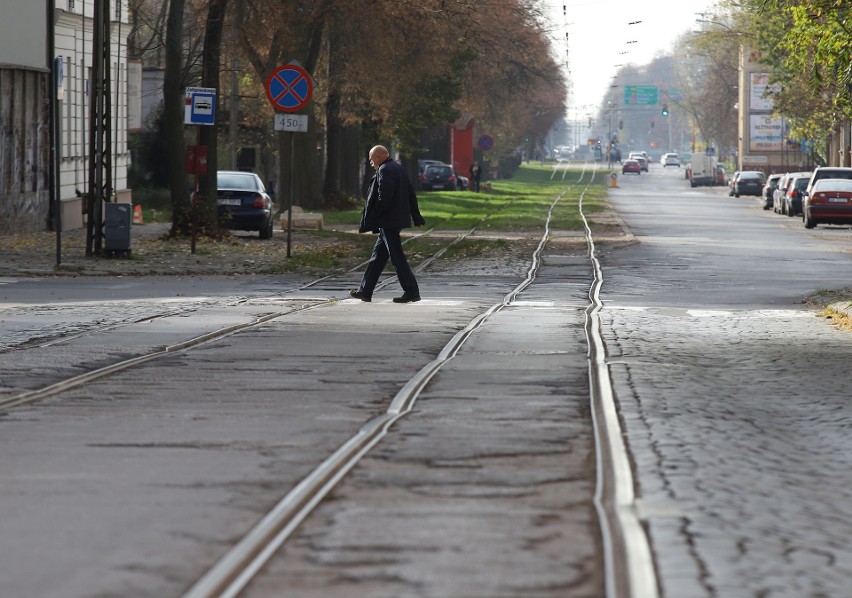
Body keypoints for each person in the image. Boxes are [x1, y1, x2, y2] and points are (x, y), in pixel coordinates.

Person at [349, 145, 425, 303]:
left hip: (388, 221)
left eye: (371, 159)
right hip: (394, 219)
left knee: (397, 258)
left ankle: (411, 291)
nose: (370, 162)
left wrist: (374, 215)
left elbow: (384, 197)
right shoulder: (398, 168)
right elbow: (410, 193)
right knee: (377, 257)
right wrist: (416, 216)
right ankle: (365, 291)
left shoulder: (385, 170)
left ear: (378, 157)